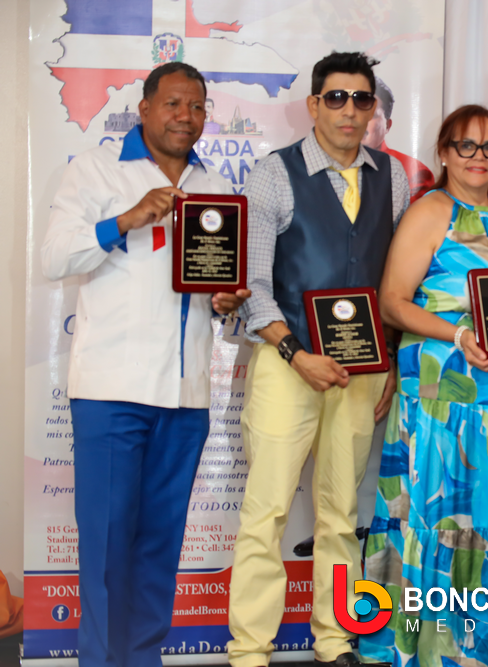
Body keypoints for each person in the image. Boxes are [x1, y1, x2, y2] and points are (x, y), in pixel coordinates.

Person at [40, 62, 250, 667]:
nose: (186, 117)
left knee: (160, 548)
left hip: (187, 395)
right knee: (107, 550)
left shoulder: (216, 188)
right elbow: (54, 258)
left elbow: (218, 291)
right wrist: (125, 219)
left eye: (198, 106)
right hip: (112, 392)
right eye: (174, 104)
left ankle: (143, 658)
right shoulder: (96, 169)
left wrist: (227, 300)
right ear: (145, 109)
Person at [226, 51, 409, 667]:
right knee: (267, 511)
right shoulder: (274, 174)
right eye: (336, 97)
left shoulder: (393, 177)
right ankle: (249, 651)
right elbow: (252, 285)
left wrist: (392, 361)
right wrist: (295, 353)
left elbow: (395, 284)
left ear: (373, 108)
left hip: (362, 373)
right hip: (288, 364)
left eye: (361, 99)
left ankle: (333, 640)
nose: (349, 110)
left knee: (340, 515)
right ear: (313, 104)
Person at [358, 104, 488, 667]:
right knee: (432, 520)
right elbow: (392, 303)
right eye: (465, 145)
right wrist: (460, 333)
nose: (478, 157)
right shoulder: (430, 212)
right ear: (444, 152)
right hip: (439, 401)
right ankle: (422, 650)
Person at [363, 76, 435, 202]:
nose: (359, 121)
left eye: (370, 115)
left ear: (387, 125)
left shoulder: (413, 172)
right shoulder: (330, 165)